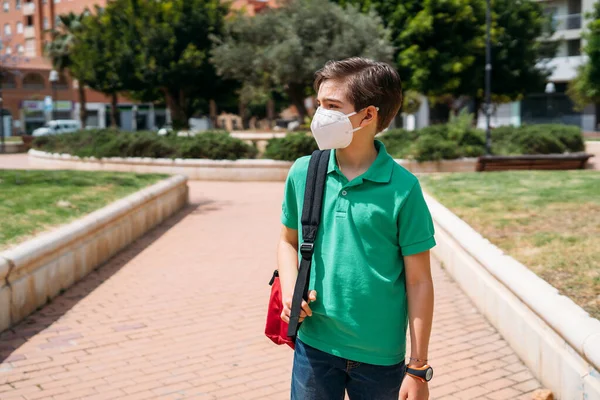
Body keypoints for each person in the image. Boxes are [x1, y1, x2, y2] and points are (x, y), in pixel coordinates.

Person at [278, 57, 436, 400]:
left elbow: (419, 280)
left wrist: (418, 368)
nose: (319, 115)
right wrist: (292, 290)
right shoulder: (303, 172)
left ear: (368, 115)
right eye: (319, 104)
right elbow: (287, 241)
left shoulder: (403, 188)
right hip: (314, 346)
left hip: (381, 359)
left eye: (332, 106)